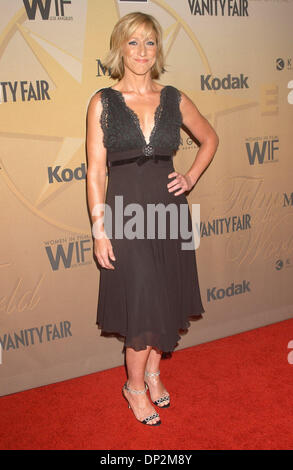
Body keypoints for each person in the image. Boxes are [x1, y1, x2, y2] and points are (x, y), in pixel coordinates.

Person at [86, 12, 219, 426]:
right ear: (119, 48)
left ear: (157, 50)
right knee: (142, 303)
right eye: (133, 42)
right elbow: (95, 171)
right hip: (125, 215)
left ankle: (155, 374)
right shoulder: (102, 102)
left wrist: (191, 175)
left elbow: (209, 137)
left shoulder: (174, 97)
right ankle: (135, 388)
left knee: (164, 297)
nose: (142, 51)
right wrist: (98, 229)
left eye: (149, 42)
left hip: (168, 212)